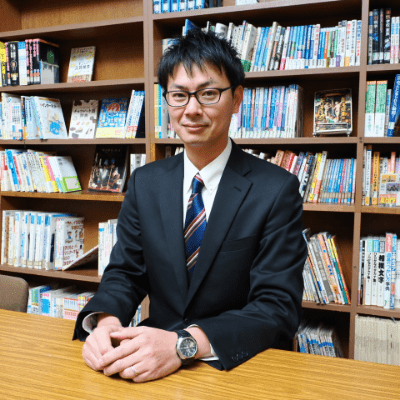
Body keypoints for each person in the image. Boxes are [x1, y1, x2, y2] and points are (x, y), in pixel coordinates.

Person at [73, 28, 308, 383]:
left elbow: (276, 307)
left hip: (236, 365)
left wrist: (183, 344)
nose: (192, 110)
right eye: (179, 95)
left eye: (209, 94)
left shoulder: (277, 189)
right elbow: (125, 273)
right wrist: (105, 323)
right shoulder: (146, 182)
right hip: (152, 362)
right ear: (166, 101)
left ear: (237, 98)